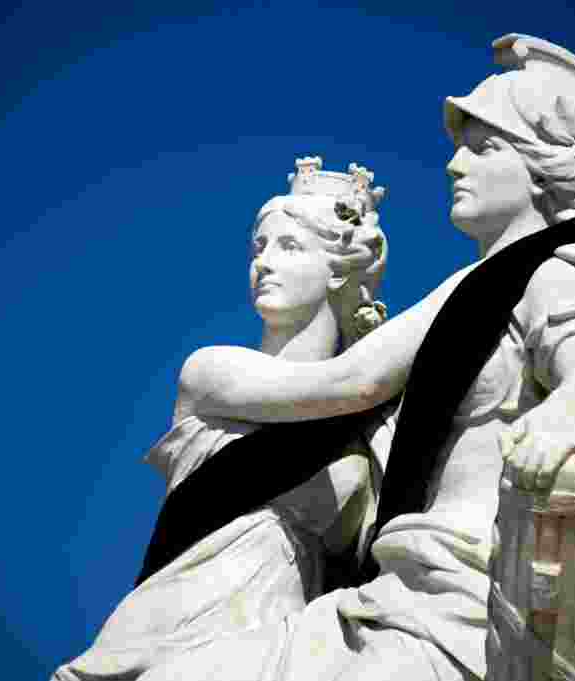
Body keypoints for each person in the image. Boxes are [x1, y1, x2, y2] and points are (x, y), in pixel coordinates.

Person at [135, 34, 575, 681]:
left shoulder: (562, 269)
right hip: (396, 597)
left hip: (472, 609)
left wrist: (571, 412)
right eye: (458, 148)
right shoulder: (474, 303)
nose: (454, 165)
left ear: (542, 163)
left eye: (483, 147)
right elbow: (358, 385)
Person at [51, 158, 396, 681]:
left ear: (338, 269)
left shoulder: (372, 431)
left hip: (291, 637)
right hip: (186, 612)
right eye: (259, 247)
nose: (264, 262)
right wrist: (494, 274)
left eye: (289, 246)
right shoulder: (211, 373)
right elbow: (354, 383)